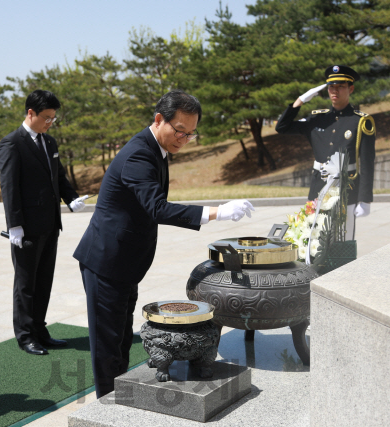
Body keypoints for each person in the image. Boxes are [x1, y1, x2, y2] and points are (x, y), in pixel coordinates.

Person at [73, 90, 255, 397]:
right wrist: (217, 212)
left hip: (123, 263)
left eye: (190, 134)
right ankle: (107, 406)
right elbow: (156, 208)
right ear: (159, 120)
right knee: (108, 345)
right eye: (180, 131)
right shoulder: (139, 154)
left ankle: (119, 398)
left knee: (119, 339)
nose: (184, 139)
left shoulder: (155, 148)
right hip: (106, 262)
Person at [0, 90, 87, 356]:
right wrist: (14, 224)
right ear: (30, 114)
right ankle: (25, 335)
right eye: (46, 117)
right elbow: (9, 187)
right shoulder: (12, 143)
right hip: (25, 228)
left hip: (50, 224)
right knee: (26, 284)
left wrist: (70, 199)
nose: (50, 122)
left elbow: (59, 178)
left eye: (53, 118)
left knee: (44, 280)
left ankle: (39, 328)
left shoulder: (49, 143)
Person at [275, 65, 376, 240]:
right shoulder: (316, 119)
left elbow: (367, 162)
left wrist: (365, 199)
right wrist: (300, 101)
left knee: (342, 243)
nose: (334, 91)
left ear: (350, 89)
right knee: (312, 240)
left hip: (346, 190)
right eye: (331, 87)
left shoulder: (360, 122)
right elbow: (282, 127)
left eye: (340, 86)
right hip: (317, 190)